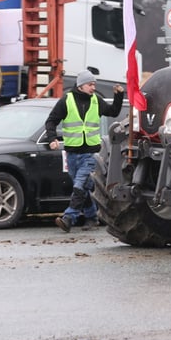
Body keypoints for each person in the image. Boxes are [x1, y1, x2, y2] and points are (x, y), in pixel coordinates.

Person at [44, 69, 125, 233]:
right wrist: (52, 138)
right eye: (90, 84)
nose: (93, 87)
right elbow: (51, 121)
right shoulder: (66, 100)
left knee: (79, 185)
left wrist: (119, 96)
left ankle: (68, 218)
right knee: (82, 187)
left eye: (94, 84)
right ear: (80, 86)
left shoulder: (96, 101)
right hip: (72, 154)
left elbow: (113, 112)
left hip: (91, 153)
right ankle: (92, 217)